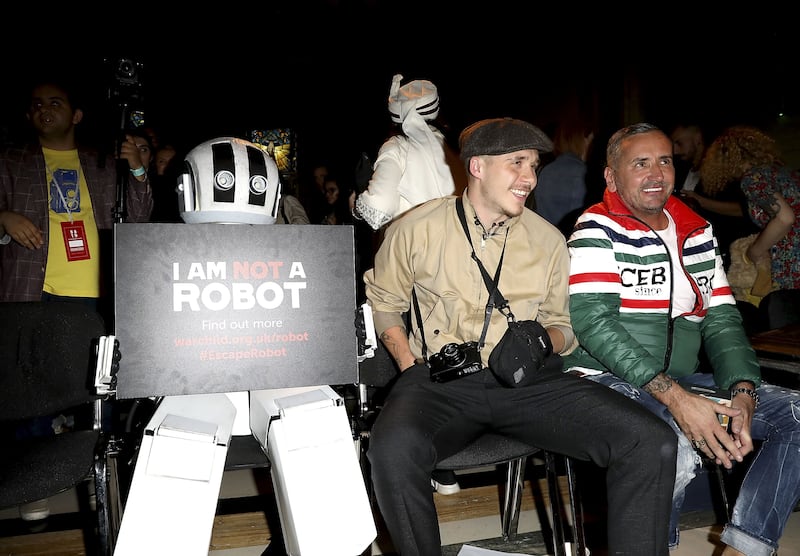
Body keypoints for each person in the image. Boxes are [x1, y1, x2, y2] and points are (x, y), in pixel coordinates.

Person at [363, 117, 677, 556]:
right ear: (477, 167)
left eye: (533, 165)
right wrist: (408, 364)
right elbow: (384, 301)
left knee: (649, 440)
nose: (529, 178)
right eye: (517, 163)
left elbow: (567, 326)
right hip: (441, 380)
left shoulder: (548, 240)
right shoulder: (417, 228)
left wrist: (544, 339)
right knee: (392, 450)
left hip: (528, 382)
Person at [565, 122, 800, 556]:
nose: (656, 173)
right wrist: (677, 398)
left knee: (796, 414)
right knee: (667, 443)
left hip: (676, 381)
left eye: (665, 161)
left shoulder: (696, 231)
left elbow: (722, 318)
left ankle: (745, 547)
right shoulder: (595, 229)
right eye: (641, 164)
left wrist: (742, 390)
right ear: (612, 177)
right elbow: (594, 324)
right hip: (602, 378)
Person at [0, 76, 153, 521]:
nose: (44, 109)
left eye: (55, 102)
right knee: (33, 388)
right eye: (36, 104)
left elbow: (138, 218)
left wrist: (139, 170)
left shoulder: (101, 161)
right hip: (33, 289)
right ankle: (32, 483)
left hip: (96, 291)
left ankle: (93, 475)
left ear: (77, 115)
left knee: (97, 391)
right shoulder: (10, 159)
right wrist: (3, 217)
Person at [351, 74, 464, 232]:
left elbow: (379, 206)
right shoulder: (456, 146)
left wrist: (356, 206)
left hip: (416, 248)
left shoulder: (397, 146)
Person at [700, 125, 800, 297]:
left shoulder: (752, 179)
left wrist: (754, 251)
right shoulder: (784, 173)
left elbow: (785, 218)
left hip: (793, 263)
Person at [671, 123, 759, 269]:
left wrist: (699, 201)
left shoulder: (722, 170)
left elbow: (745, 209)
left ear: (697, 139)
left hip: (730, 256)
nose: (674, 150)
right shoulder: (682, 170)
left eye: (679, 143)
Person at [530, 118, 595, 236]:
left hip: (544, 238)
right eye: (591, 140)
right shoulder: (581, 172)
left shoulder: (545, 169)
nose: (592, 147)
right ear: (581, 140)